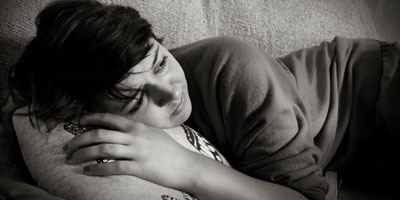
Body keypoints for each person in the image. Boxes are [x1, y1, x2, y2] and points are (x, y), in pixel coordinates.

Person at [6, 0, 400, 199]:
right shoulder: (78, 103)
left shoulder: (232, 66)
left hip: (377, 82)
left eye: (160, 62)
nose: (171, 92)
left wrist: (187, 168)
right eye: (135, 100)